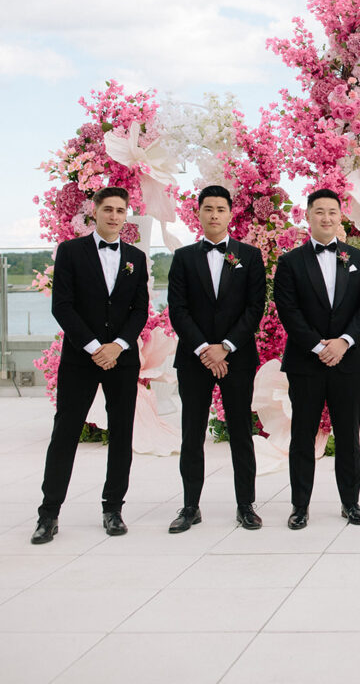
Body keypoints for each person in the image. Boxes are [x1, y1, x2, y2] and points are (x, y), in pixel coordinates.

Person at [31, 187, 150, 544]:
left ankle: (113, 508)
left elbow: (140, 309)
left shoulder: (136, 257)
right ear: (94, 212)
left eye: (120, 210)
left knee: (122, 434)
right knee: (65, 432)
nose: (114, 216)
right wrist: (96, 347)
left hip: (122, 359)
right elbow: (62, 306)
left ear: (126, 215)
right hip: (80, 358)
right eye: (108, 209)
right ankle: (49, 514)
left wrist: (118, 346)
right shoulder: (70, 251)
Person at [273, 189, 360, 530]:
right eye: (319, 211)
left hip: (348, 362)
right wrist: (319, 347)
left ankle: (351, 502)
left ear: (340, 216)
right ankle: (299, 506)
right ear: (307, 216)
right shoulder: (290, 262)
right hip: (306, 363)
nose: (326, 217)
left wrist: (344, 342)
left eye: (332, 211)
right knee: (302, 437)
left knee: (348, 435)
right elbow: (288, 311)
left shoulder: (358, 259)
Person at [166, 185, 267, 533]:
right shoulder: (183, 257)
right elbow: (177, 309)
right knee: (192, 433)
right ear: (198, 213)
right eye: (208, 208)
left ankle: (246, 505)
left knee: (241, 432)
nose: (214, 215)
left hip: (236, 357)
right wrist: (203, 349)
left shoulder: (249, 256)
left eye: (220, 209)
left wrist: (225, 346)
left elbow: (255, 307)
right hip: (194, 359)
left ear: (230, 214)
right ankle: (190, 506)